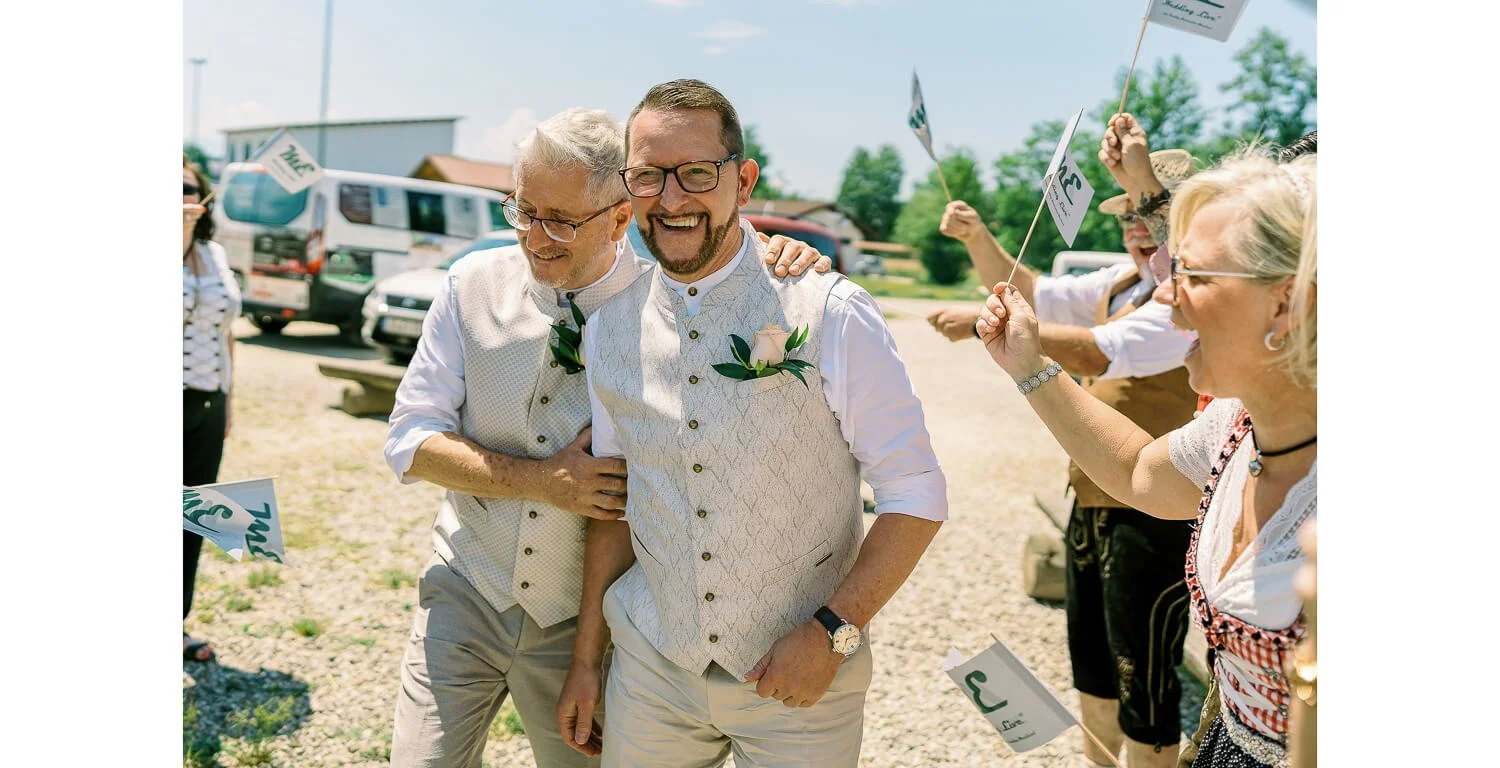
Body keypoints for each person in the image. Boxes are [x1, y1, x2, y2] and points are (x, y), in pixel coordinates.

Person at [383, 106, 831, 768]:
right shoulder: (470, 283)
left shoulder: (671, 306)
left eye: (561, 222)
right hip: (467, 588)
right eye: (523, 211)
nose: (536, 238)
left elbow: (768, 362)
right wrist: (541, 480)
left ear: (621, 219)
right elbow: (409, 438)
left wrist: (778, 265)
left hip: (586, 621)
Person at [559, 79, 947, 768]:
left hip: (801, 679)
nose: (672, 199)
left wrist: (834, 632)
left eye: (698, 174)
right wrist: (588, 660)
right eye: (649, 176)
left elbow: (915, 492)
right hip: (653, 670)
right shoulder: (608, 328)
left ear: (742, 179)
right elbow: (618, 502)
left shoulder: (829, 309)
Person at [976, 149, 1317, 768]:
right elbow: (1138, 470)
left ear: (1285, 304)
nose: (1165, 292)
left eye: (1193, 273)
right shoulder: (1234, 425)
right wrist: (1028, 368)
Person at [930, 146, 1200, 768]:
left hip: (1155, 512)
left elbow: (1099, 352)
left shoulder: (1185, 300)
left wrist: (984, 321)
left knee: (1148, 685)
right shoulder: (1120, 281)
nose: (1135, 224)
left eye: (1148, 207)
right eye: (1128, 210)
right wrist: (978, 236)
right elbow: (1031, 290)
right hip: (1094, 493)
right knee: (1095, 670)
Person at [183, 154, 241, 663]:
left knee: (193, 514)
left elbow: (226, 331)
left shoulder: (216, 255)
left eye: (187, 187)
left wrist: (227, 399)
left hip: (207, 398)